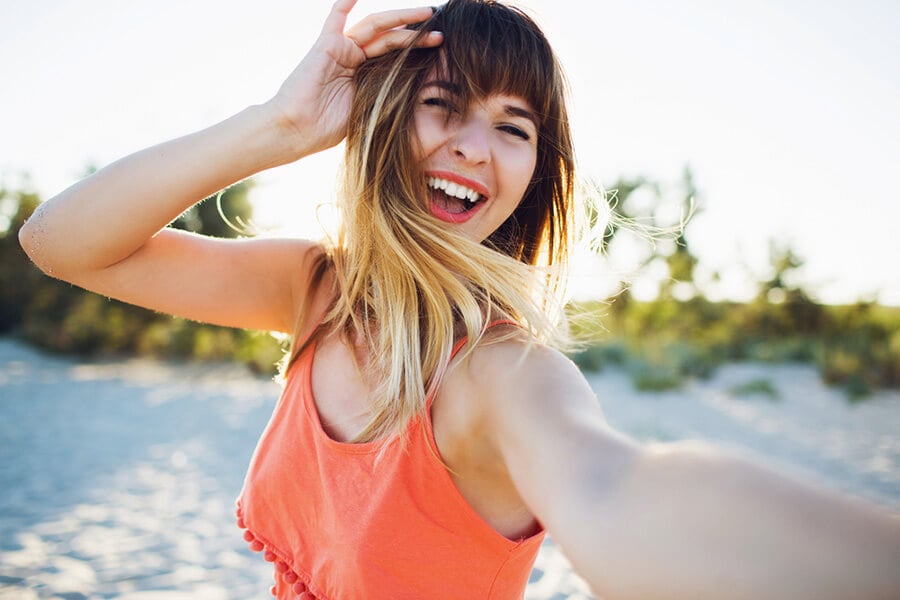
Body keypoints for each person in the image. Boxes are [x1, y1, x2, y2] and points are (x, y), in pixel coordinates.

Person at [18, 0, 900, 598]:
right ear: (387, 117)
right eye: (446, 104)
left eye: (513, 127)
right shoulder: (319, 289)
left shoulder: (503, 374)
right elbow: (59, 242)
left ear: (535, 174)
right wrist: (279, 125)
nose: (477, 146)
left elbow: (616, 486)